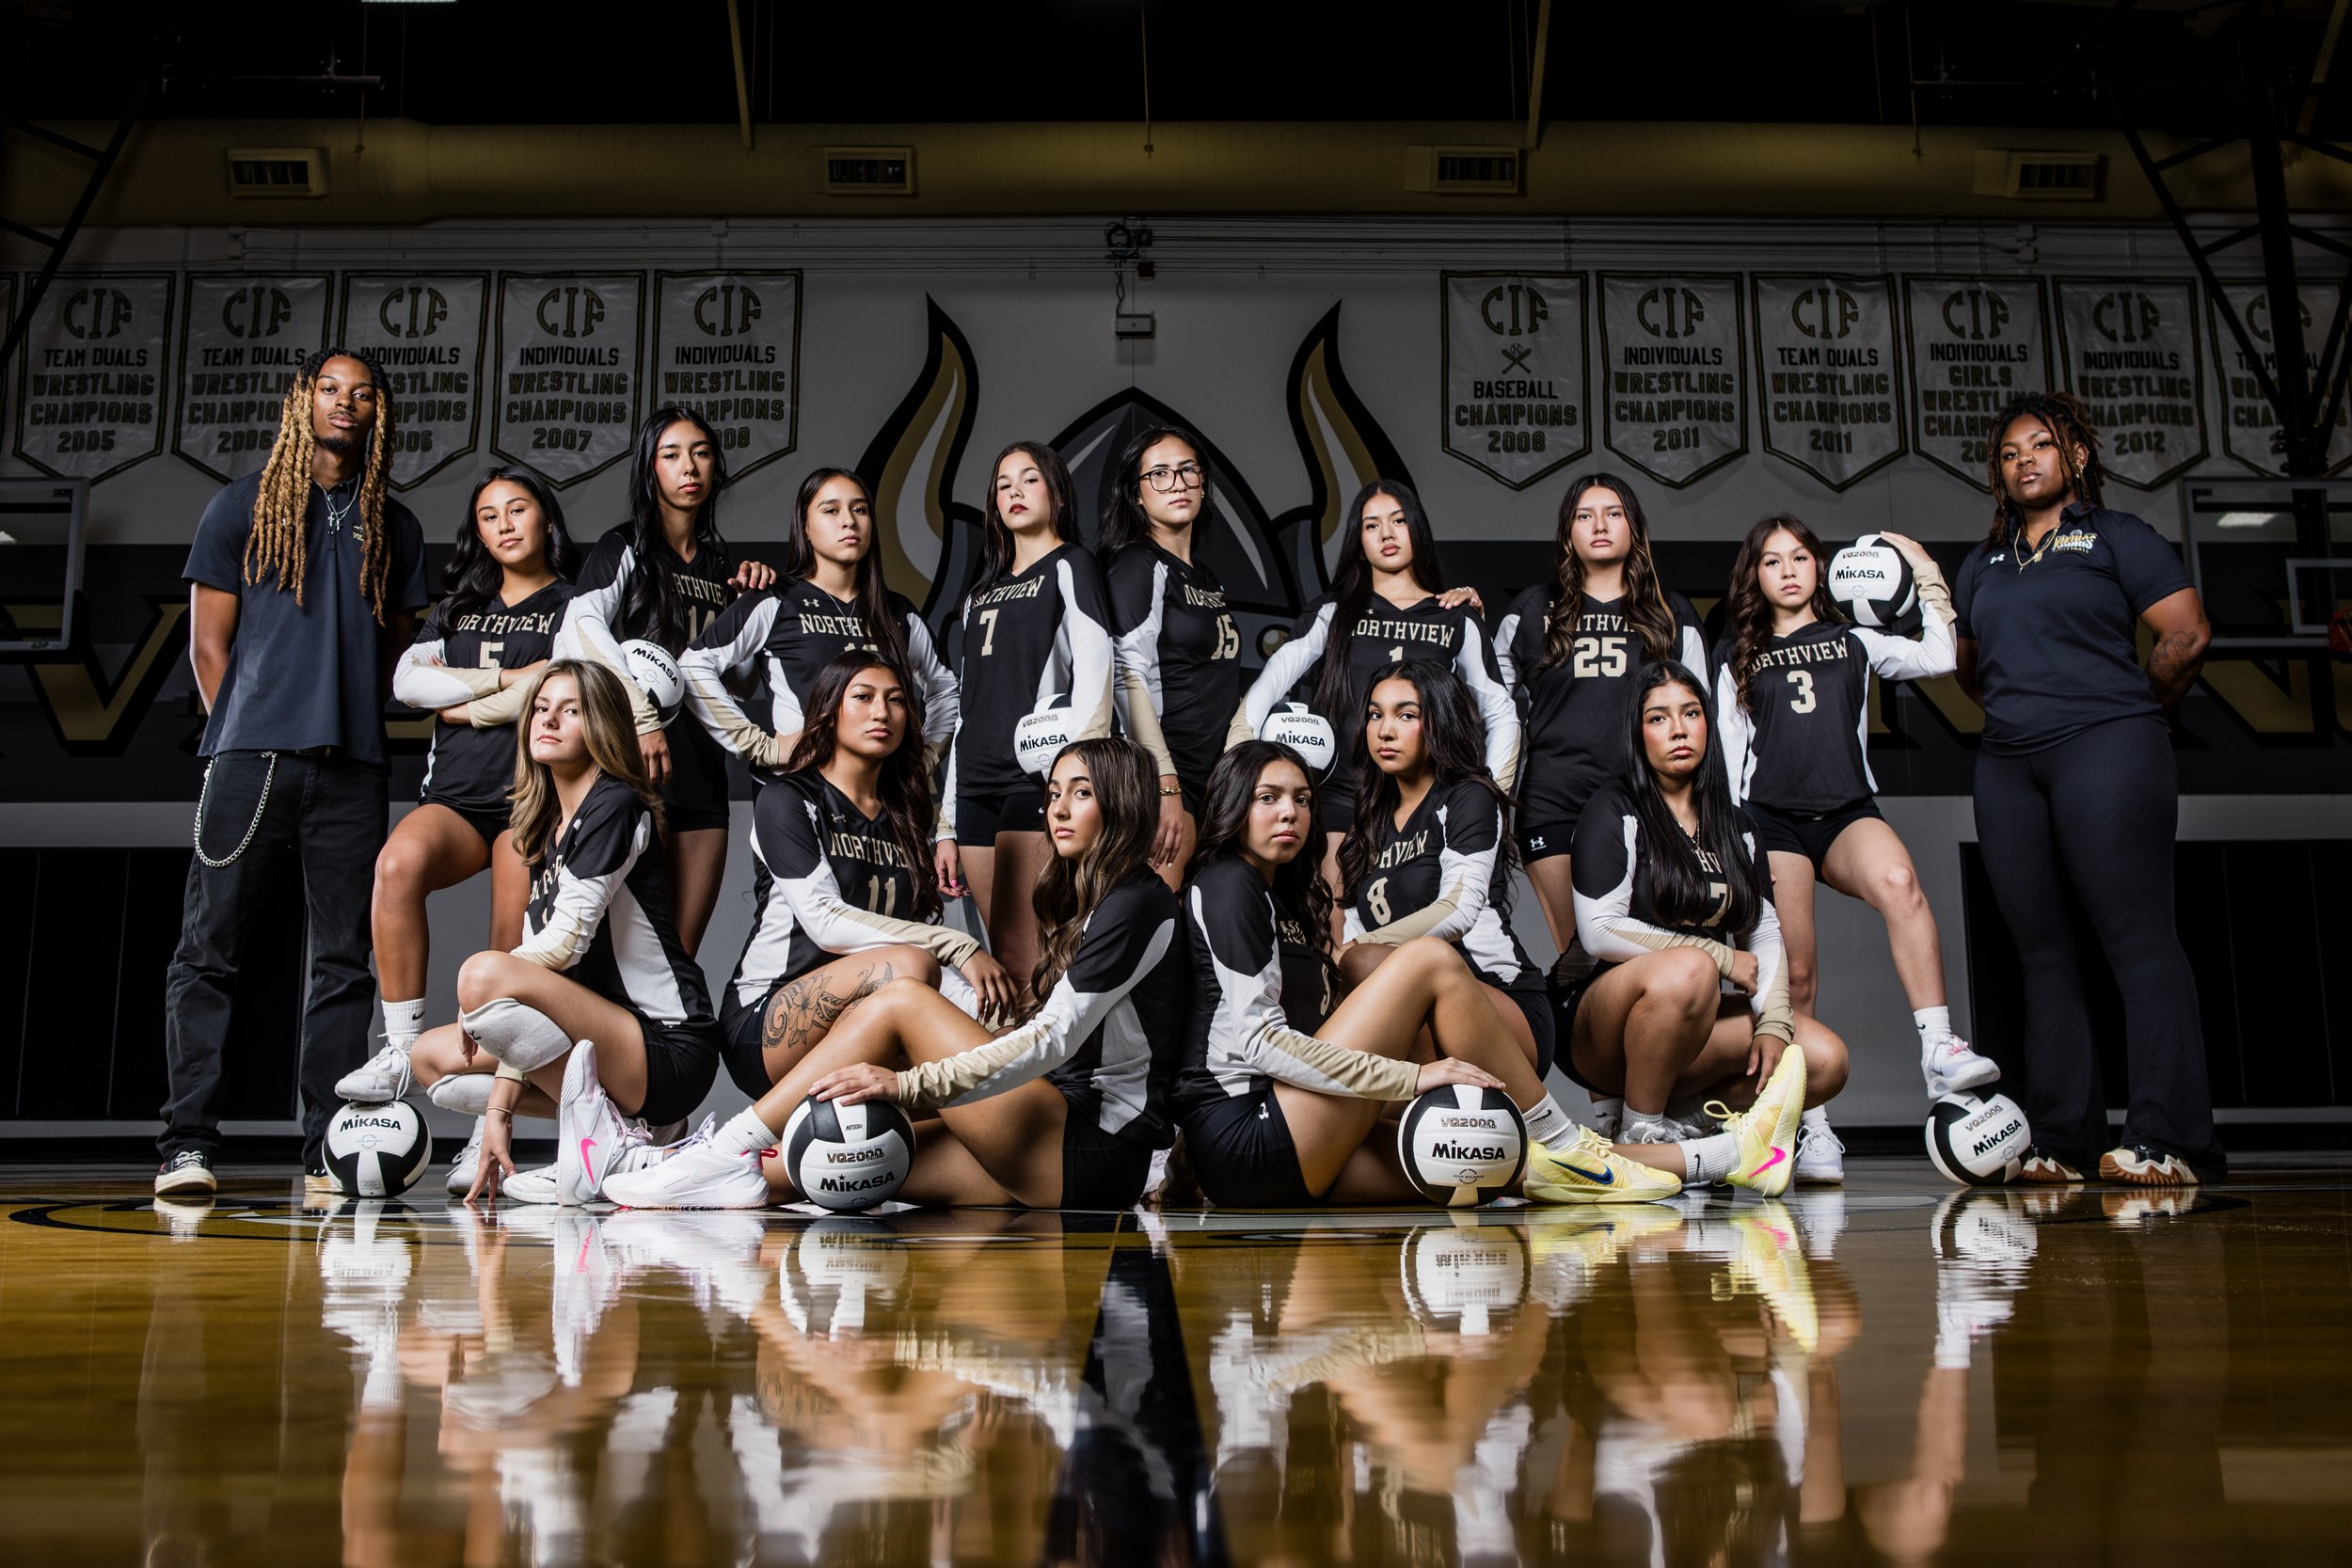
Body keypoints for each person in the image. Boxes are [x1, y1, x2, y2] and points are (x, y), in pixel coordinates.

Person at [608, 738, 1189, 1211]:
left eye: (1081, 794)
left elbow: (1054, 1040)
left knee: (902, 1000)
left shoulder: (1137, 902)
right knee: (815, 1165)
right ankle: (655, 1166)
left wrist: (909, 1087)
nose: (1057, 809)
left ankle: (725, 1143)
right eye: (1054, 793)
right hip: (1060, 1150)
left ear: (1122, 803)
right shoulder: (1096, 900)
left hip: (1088, 1147)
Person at [1171, 740, 1676, 1207]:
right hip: (1249, 1136)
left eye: (1302, 799)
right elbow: (1260, 1044)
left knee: (1492, 1152)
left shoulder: (1276, 894)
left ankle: (1723, 1158)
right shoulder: (1229, 883)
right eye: (1268, 797)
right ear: (1235, 805)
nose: (1290, 812)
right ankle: (1562, 1138)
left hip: (1280, 1135)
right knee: (1426, 958)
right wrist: (1414, 1077)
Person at [158, 349, 429, 1196]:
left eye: (362, 394)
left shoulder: (397, 523)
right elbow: (209, 644)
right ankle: (187, 1144)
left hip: (350, 767)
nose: (345, 403)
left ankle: (325, 1149)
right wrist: (234, 734)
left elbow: (392, 654)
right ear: (301, 400)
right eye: (330, 388)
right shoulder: (241, 504)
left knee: (344, 961)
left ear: (377, 412)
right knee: (208, 950)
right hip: (250, 761)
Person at [1954, 391, 2220, 1186]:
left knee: (2137, 939)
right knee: (2041, 953)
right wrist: (2025, 713)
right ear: (1998, 473)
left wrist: (2133, 710)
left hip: (2108, 746)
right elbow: (1973, 671)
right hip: (2008, 763)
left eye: (2042, 445)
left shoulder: (2116, 536)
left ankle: (2167, 1139)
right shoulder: (1983, 561)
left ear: (2076, 457)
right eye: (2010, 452)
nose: (2025, 459)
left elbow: (2187, 632)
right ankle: (2064, 1141)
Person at [1714, 513, 1999, 1184]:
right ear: (1755, 575)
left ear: (1821, 566)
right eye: (1772, 560)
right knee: (1800, 973)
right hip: (1773, 820)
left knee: (1900, 881)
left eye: (1799, 557)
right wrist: (1735, 842)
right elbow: (1728, 767)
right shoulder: (1738, 656)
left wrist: (1923, 569)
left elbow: (1935, 654)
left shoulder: (1855, 640)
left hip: (1845, 811)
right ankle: (1812, 1125)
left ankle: (1940, 1049)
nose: (1787, 569)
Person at [408, 659, 722, 1205]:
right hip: (605, 1046)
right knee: (432, 1059)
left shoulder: (616, 803)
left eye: (571, 711)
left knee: (483, 974)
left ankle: (619, 1137)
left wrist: (479, 996)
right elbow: (533, 1006)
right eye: (541, 708)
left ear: (601, 725)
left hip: (667, 1046)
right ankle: (635, 1139)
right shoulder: (548, 830)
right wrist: (497, 1115)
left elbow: (564, 944)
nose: (548, 720)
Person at [336, 466, 580, 1148]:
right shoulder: (459, 606)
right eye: (489, 514)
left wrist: (464, 703)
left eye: (518, 508)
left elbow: (560, 683)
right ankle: (398, 1049)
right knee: (396, 866)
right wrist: (507, 681)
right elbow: (409, 682)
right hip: (456, 800)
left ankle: (488, 1112)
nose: (504, 523)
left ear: (546, 519)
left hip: (528, 804)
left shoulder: (574, 603)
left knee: (503, 951)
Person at [1565, 660, 1845, 1198]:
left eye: (1691, 713)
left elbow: (1762, 932)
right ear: (1637, 732)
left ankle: (1685, 1130)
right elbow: (1599, 930)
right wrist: (1717, 958)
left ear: (1708, 725)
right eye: (1658, 718)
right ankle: (1640, 1129)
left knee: (1823, 1061)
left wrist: (1773, 1022)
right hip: (1604, 1028)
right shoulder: (1614, 807)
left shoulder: (1735, 825)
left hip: (1691, 1023)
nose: (1677, 729)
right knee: (1691, 967)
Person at [713, 650, 1015, 1101]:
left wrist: (991, 1018)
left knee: (1004, 1021)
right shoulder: (787, 798)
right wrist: (958, 945)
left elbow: (914, 936)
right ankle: (747, 1136)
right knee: (911, 965)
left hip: (876, 1012)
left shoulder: (905, 819)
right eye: (863, 697)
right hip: (767, 1021)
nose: (882, 712)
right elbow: (824, 921)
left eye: (896, 700)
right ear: (829, 712)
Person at [1237, 480, 1518, 906]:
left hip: (1422, 798)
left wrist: (1489, 798)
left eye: (1399, 521)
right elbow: (1268, 685)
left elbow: (1502, 713)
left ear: (1417, 529)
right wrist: (1241, 763)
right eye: (1372, 525)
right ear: (1358, 540)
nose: (1387, 534)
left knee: (1415, 923)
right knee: (1332, 919)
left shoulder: (1455, 618)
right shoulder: (1334, 611)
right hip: (1342, 792)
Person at [564, 405, 776, 957]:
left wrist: (752, 605)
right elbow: (579, 628)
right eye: (672, 455)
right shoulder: (623, 548)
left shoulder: (719, 563)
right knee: (612, 955)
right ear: (649, 469)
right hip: (631, 771)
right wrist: (639, 715)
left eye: (702, 454)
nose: (690, 467)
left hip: (702, 776)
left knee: (678, 959)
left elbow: (744, 683)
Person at [1495, 471, 1708, 971]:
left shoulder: (1670, 614)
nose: (1599, 525)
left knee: (1648, 959)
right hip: (1554, 800)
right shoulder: (1531, 609)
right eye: (1584, 515)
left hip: (1647, 803)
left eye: (1613, 513)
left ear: (1633, 526)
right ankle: (1571, 1048)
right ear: (1568, 532)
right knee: (1583, 955)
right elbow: (1487, 706)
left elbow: (1704, 721)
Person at [933, 441, 1117, 996]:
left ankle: (1054, 1079)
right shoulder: (978, 596)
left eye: (1029, 479)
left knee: (1033, 950)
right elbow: (966, 710)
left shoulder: (1072, 564)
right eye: (1003, 483)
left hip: (1032, 780)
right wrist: (945, 823)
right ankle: (1016, 1076)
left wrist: (1080, 784)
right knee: (999, 960)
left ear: (1056, 492)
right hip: (975, 786)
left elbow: (1096, 672)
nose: (1014, 491)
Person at [1336, 660, 1552, 1073]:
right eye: (1375, 715)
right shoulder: (1369, 822)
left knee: (1367, 962)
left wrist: (1361, 949)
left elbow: (1459, 910)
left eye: (1406, 715)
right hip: (1413, 1016)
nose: (1385, 730)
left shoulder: (1467, 796)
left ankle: (1544, 1125)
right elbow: (1353, 929)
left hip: (1498, 1002)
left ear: (1438, 721)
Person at [677, 466, 958, 776]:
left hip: (879, 802)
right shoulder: (776, 600)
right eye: (831, 510)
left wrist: (925, 758)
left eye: (860, 509)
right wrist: (760, 746)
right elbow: (692, 666)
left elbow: (945, 689)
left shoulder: (898, 612)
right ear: (805, 527)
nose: (849, 521)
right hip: (799, 794)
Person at [1101, 424, 1245, 888]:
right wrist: (1165, 784)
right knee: (1157, 925)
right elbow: (1126, 674)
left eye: (1188, 471)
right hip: (1165, 777)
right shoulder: (1137, 564)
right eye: (1159, 474)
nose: (1177, 483)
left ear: (1204, 483)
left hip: (1212, 780)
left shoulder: (1206, 576)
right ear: (1137, 495)